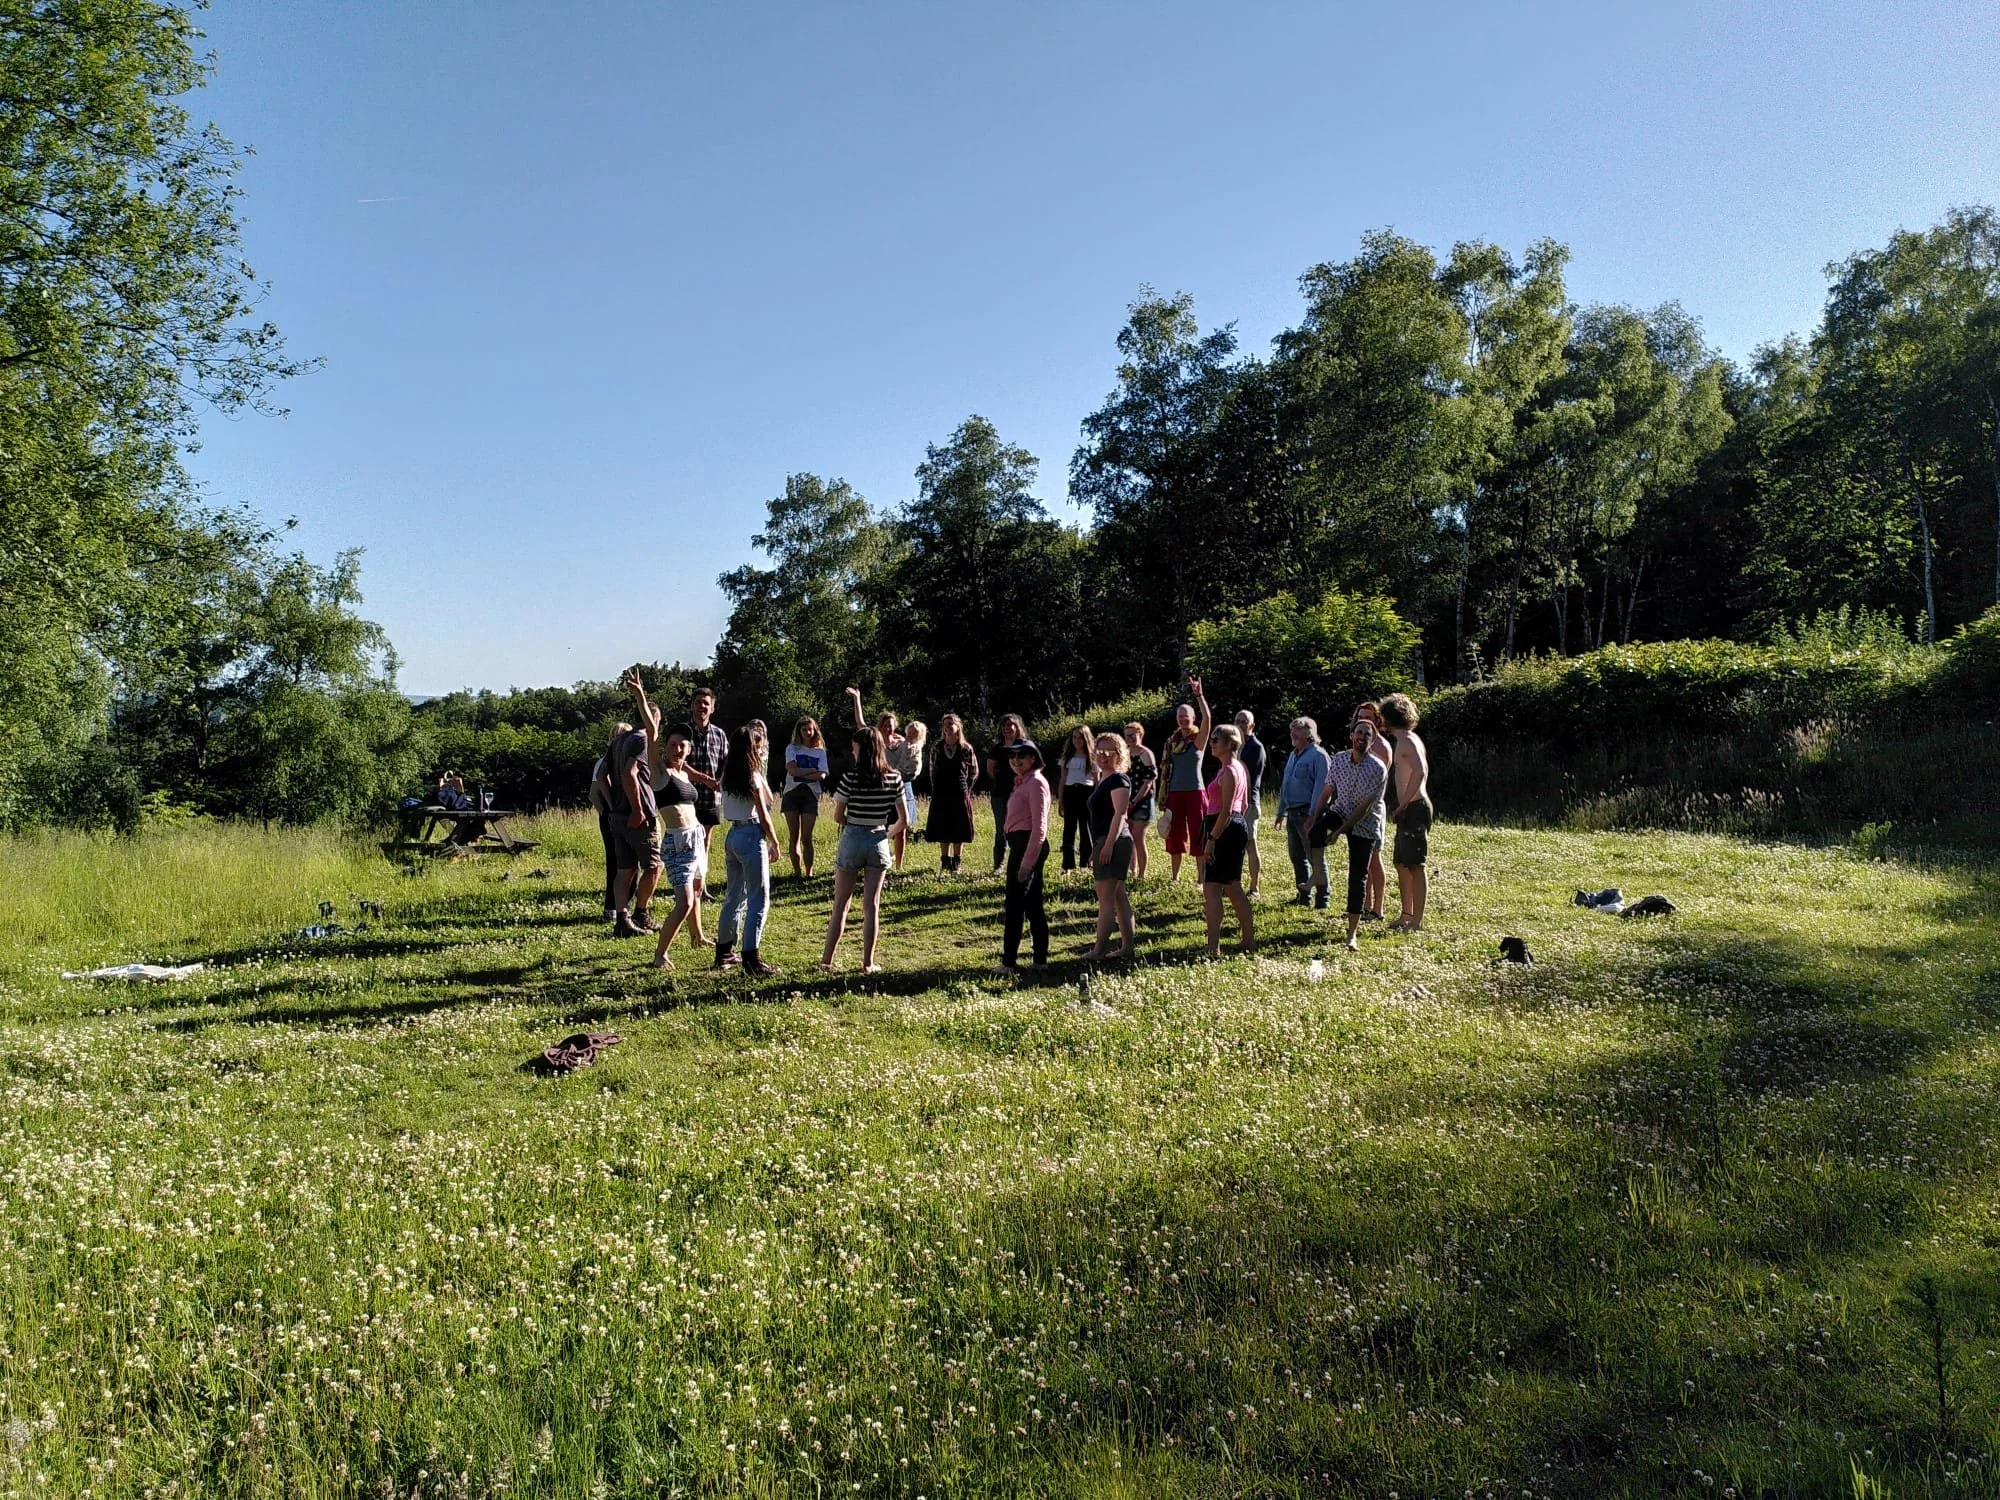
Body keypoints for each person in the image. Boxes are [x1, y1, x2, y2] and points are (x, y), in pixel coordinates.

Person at [818, 725, 907, 973]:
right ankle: (868, 963)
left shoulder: (850, 778)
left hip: (853, 837)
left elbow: (838, 816)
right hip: (878, 838)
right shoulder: (894, 777)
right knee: (872, 906)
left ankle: (827, 961)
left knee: (841, 905)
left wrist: (853, 824)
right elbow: (904, 820)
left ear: (860, 749)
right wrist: (884, 834)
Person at [708, 724, 783, 974]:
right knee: (758, 899)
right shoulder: (751, 777)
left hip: (732, 835)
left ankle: (724, 952)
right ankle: (752, 957)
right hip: (751, 835)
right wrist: (775, 841)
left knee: (734, 897)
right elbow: (764, 811)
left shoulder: (728, 776)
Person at [647, 723, 720, 961]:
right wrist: (639, 696)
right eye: (672, 745)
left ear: (689, 749)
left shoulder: (684, 773)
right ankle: (660, 954)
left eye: (682, 745)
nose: (677, 749)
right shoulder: (660, 773)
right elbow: (651, 732)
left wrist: (708, 781)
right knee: (685, 902)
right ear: (665, 748)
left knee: (697, 891)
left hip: (696, 837)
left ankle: (697, 937)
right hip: (677, 842)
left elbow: (690, 771)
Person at [1316, 718, 1389, 951]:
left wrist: (1338, 832)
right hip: (1340, 810)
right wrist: (1315, 816)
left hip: (1364, 824)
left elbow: (1364, 809)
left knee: (1357, 877)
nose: (1362, 737)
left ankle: (1352, 935)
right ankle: (1316, 877)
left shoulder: (1377, 769)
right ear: (1351, 735)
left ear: (1373, 740)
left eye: (1368, 734)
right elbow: (1328, 790)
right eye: (1359, 732)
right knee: (1313, 833)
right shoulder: (1338, 759)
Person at [1200, 723, 1255, 958]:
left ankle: (1213, 946)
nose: (1211, 743)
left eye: (1216, 739)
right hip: (1231, 826)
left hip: (1223, 827)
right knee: (1232, 885)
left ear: (1230, 744)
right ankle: (1246, 940)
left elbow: (1226, 810)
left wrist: (1212, 839)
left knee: (1214, 887)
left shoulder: (1231, 770)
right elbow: (1243, 806)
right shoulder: (1236, 767)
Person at [1378, 692, 1432, 932]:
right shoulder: (1407, 739)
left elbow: (1419, 772)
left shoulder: (1407, 741)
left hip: (1415, 808)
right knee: (1402, 863)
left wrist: (1403, 804)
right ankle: (1406, 914)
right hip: (1410, 808)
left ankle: (1416, 921)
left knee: (1415, 865)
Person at [603, 718, 662, 938]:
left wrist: (612, 805)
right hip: (640, 816)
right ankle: (640, 913)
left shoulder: (618, 742)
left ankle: (622, 919)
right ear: (654, 719)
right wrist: (638, 809)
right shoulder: (642, 739)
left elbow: (602, 775)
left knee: (624, 870)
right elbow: (630, 773)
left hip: (618, 816)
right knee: (655, 866)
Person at [998, 738, 1051, 972]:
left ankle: (1009, 963)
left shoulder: (1036, 782)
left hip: (1028, 845)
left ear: (1033, 758)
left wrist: (1027, 863)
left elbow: (1039, 828)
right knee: (1030, 904)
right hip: (1019, 843)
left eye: (1021, 756)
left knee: (1016, 904)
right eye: (1012, 756)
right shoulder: (1021, 782)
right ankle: (1039, 961)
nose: (1016, 760)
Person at [1086, 732, 1135, 960]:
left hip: (1114, 841)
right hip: (1105, 841)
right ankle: (1126, 948)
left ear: (1119, 754)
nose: (1103, 756)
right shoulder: (1103, 780)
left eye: (1109, 752)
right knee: (1118, 897)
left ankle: (1098, 951)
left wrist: (1107, 845)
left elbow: (1120, 814)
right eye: (1100, 751)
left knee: (1106, 899)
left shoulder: (1118, 779)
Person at [1159, 679, 1213, 882]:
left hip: (1196, 793)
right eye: (1180, 716)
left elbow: (1208, 718)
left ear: (1193, 718)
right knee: (1174, 836)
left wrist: (1199, 695)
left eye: (1186, 716)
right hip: (1174, 794)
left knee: (1199, 836)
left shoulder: (1198, 740)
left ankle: (1202, 879)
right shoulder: (1171, 743)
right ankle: (1175, 878)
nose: (1183, 719)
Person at [1275, 717, 1332, 909]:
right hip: (1292, 813)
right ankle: (1303, 896)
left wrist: (1313, 815)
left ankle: (1323, 899)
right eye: (1291, 730)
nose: (1292, 733)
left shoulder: (1318, 755)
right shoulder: (1293, 755)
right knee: (1296, 856)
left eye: (1297, 730)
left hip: (1308, 813)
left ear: (1309, 733)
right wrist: (1280, 811)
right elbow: (1285, 784)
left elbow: (1322, 788)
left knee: (1314, 856)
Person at [1349, 701, 1393, 921]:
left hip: (1373, 810)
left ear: (1377, 722)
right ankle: (1362, 905)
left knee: (1374, 857)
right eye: (1359, 717)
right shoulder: (1357, 742)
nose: (1363, 721)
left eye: (1368, 717)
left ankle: (1378, 908)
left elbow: (1375, 784)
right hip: (1356, 809)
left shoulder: (1382, 747)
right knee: (1362, 861)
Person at [684, 687, 729, 891]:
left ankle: (701, 886)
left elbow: (726, 762)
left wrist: (720, 781)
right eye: (698, 702)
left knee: (705, 842)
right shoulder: (684, 732)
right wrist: (705, 779)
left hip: (711, 798)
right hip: (687, 797)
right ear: (692, 705)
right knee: (688, 842)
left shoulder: (720, 734)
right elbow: (678, 763)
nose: (702, 706)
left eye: (706, 703)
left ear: (712, 708)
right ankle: (685, 886)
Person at [588, 721, 633, 919]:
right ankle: (614, 906)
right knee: (618, 862)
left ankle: (619, 905)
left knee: (623, 861)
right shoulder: (605, 761)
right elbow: (593, 793)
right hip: (615, 814)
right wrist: (609, 808)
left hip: (616, 813)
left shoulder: (619, 760)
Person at [925, 713, 979, 870]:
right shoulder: (937, 747)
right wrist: (936, 788)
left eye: (950, 724)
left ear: (958, 726)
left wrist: (967, 788)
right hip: (941, 792)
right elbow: (932, 770)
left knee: (959, 825)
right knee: (942, 824)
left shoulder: (965, 748)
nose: (947, 727)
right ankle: (944, 860)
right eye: (945, 724)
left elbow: (974, 771)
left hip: (959, 791)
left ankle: (956, 860)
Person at [781, 716, 829, 880]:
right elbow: (792, 771)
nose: (807, 732)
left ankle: (809, 872)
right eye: (804, 729)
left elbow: (822, 775)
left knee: (807, 837)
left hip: (810, 794)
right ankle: (797, 872)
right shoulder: (792, 748)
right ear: (799, 731)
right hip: (791, 793)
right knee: (794, 834)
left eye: (810, 729)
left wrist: (803, 770)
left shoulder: (820, 751)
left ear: (815, 731)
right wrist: (811, 771)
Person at [984, 713, 1027, 871]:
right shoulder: (997, 749)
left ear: (1017, 727)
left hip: (1021, 794)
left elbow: (1032, 768)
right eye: (1005, 725)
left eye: (1011, 725)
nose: (1008, 728)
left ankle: (1019, 861)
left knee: (1020, 827)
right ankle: (998, 864)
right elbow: (990, 769)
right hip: (1000, 793)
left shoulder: (1025, 747)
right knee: (1001, 828)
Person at [1234, 709, 1267, 897]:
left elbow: (1249, 778)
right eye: (1237, 721)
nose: (1239, 724)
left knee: (1250, 844)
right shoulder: (1236, 745)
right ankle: (1232, 884)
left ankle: (1254, 888)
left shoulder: (1255, 748)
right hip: (1235, 803)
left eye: (1244, 722)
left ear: (1251, 726)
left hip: (1249, 803)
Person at [1057, 724, 1096, 872]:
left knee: (1086, 829)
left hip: (1087, 793)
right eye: (1074, 737)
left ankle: (1085, 863)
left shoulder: (1092, 757)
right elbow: (1062, 779)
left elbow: (1097, 780)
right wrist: (1060, 800)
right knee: (1069, 829)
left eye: (1080, 737)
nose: (1077, 740)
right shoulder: (1067, 757)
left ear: (1086, 739)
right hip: (1070, 793)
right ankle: (1067, 865)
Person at [1122, 721, 1157, 881]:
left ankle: (1142, 875)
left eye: (1132, 735)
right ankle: (1132, 870)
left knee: (1138, 837)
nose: (1129, 738)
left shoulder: (1146, 754)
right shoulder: (1125, 754)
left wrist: (1134, 801)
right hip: (1127, 799)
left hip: (1142, 801)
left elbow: (1148, 781)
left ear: (1140, 735)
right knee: (1128, 838)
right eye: (1127, 735)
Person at [894, 719, 926, 866]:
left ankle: (899, 863)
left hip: (904, 786)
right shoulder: (899, 742)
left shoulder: (916, 748)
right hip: (890, 784)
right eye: (910, 731)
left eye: (915, 732)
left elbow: (912, 770)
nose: (911, 734)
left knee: (902, 828)